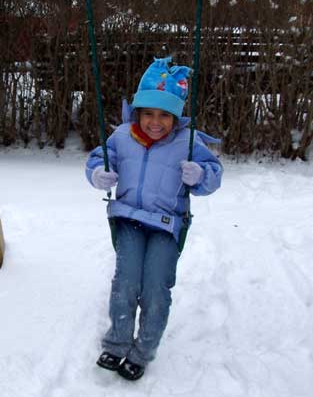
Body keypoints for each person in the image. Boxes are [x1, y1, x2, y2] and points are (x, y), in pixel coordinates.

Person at [85, 56, 223, 381]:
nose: (156, 122)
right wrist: (98, 173)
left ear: (176, 117)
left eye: (165, 115)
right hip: (128, 220)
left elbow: (214, 175)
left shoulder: (189, 143)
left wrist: (200, 175)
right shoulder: (120, 136)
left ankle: (143, 350)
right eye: (148, 113)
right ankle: (117, 343)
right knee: (126, 282)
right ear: (138, 113)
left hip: (165, 226)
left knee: (155, 290)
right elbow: (98, 158)